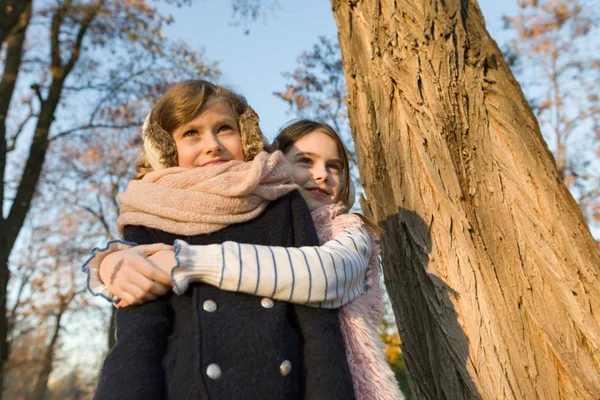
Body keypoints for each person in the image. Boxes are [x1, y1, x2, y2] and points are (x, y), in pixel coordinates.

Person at [85, 119, 403, 399]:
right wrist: (111, 262)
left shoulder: (349, 230)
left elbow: (325, 275)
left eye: (334, 166)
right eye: (305, 161)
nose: (322, 175)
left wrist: (189, 262)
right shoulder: (257, 222)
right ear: (273, 166)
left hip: (353, 385)